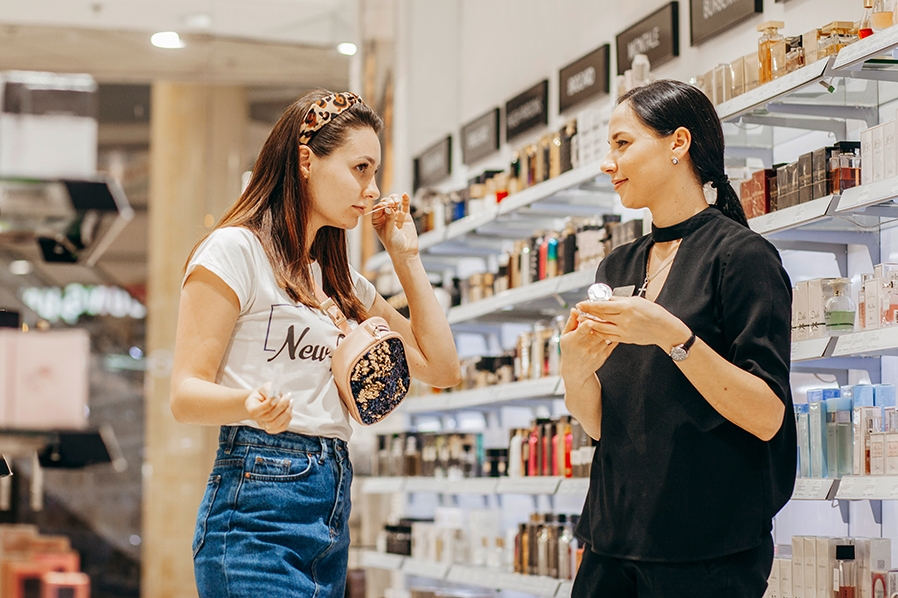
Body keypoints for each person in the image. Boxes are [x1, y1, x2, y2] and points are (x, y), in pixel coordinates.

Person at [170, 90, 461, 598]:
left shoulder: (340, 280)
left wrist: (406, 257)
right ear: (306, 160)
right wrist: (248, 403)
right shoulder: (235, 250)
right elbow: (185, 394)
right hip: (256, 508)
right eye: (360, 168)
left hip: (330, 505)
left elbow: (442, 367)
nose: (371, 190)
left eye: (373, 173)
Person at [560, 79, 795, 598]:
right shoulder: (618, 263)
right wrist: (573, 369)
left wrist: (673, 336)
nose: (608, 162)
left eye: (622, 143)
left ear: (678, 144)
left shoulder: (742, 258)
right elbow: (605, 421)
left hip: (706, 549)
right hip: (612, 537)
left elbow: (766, 414)